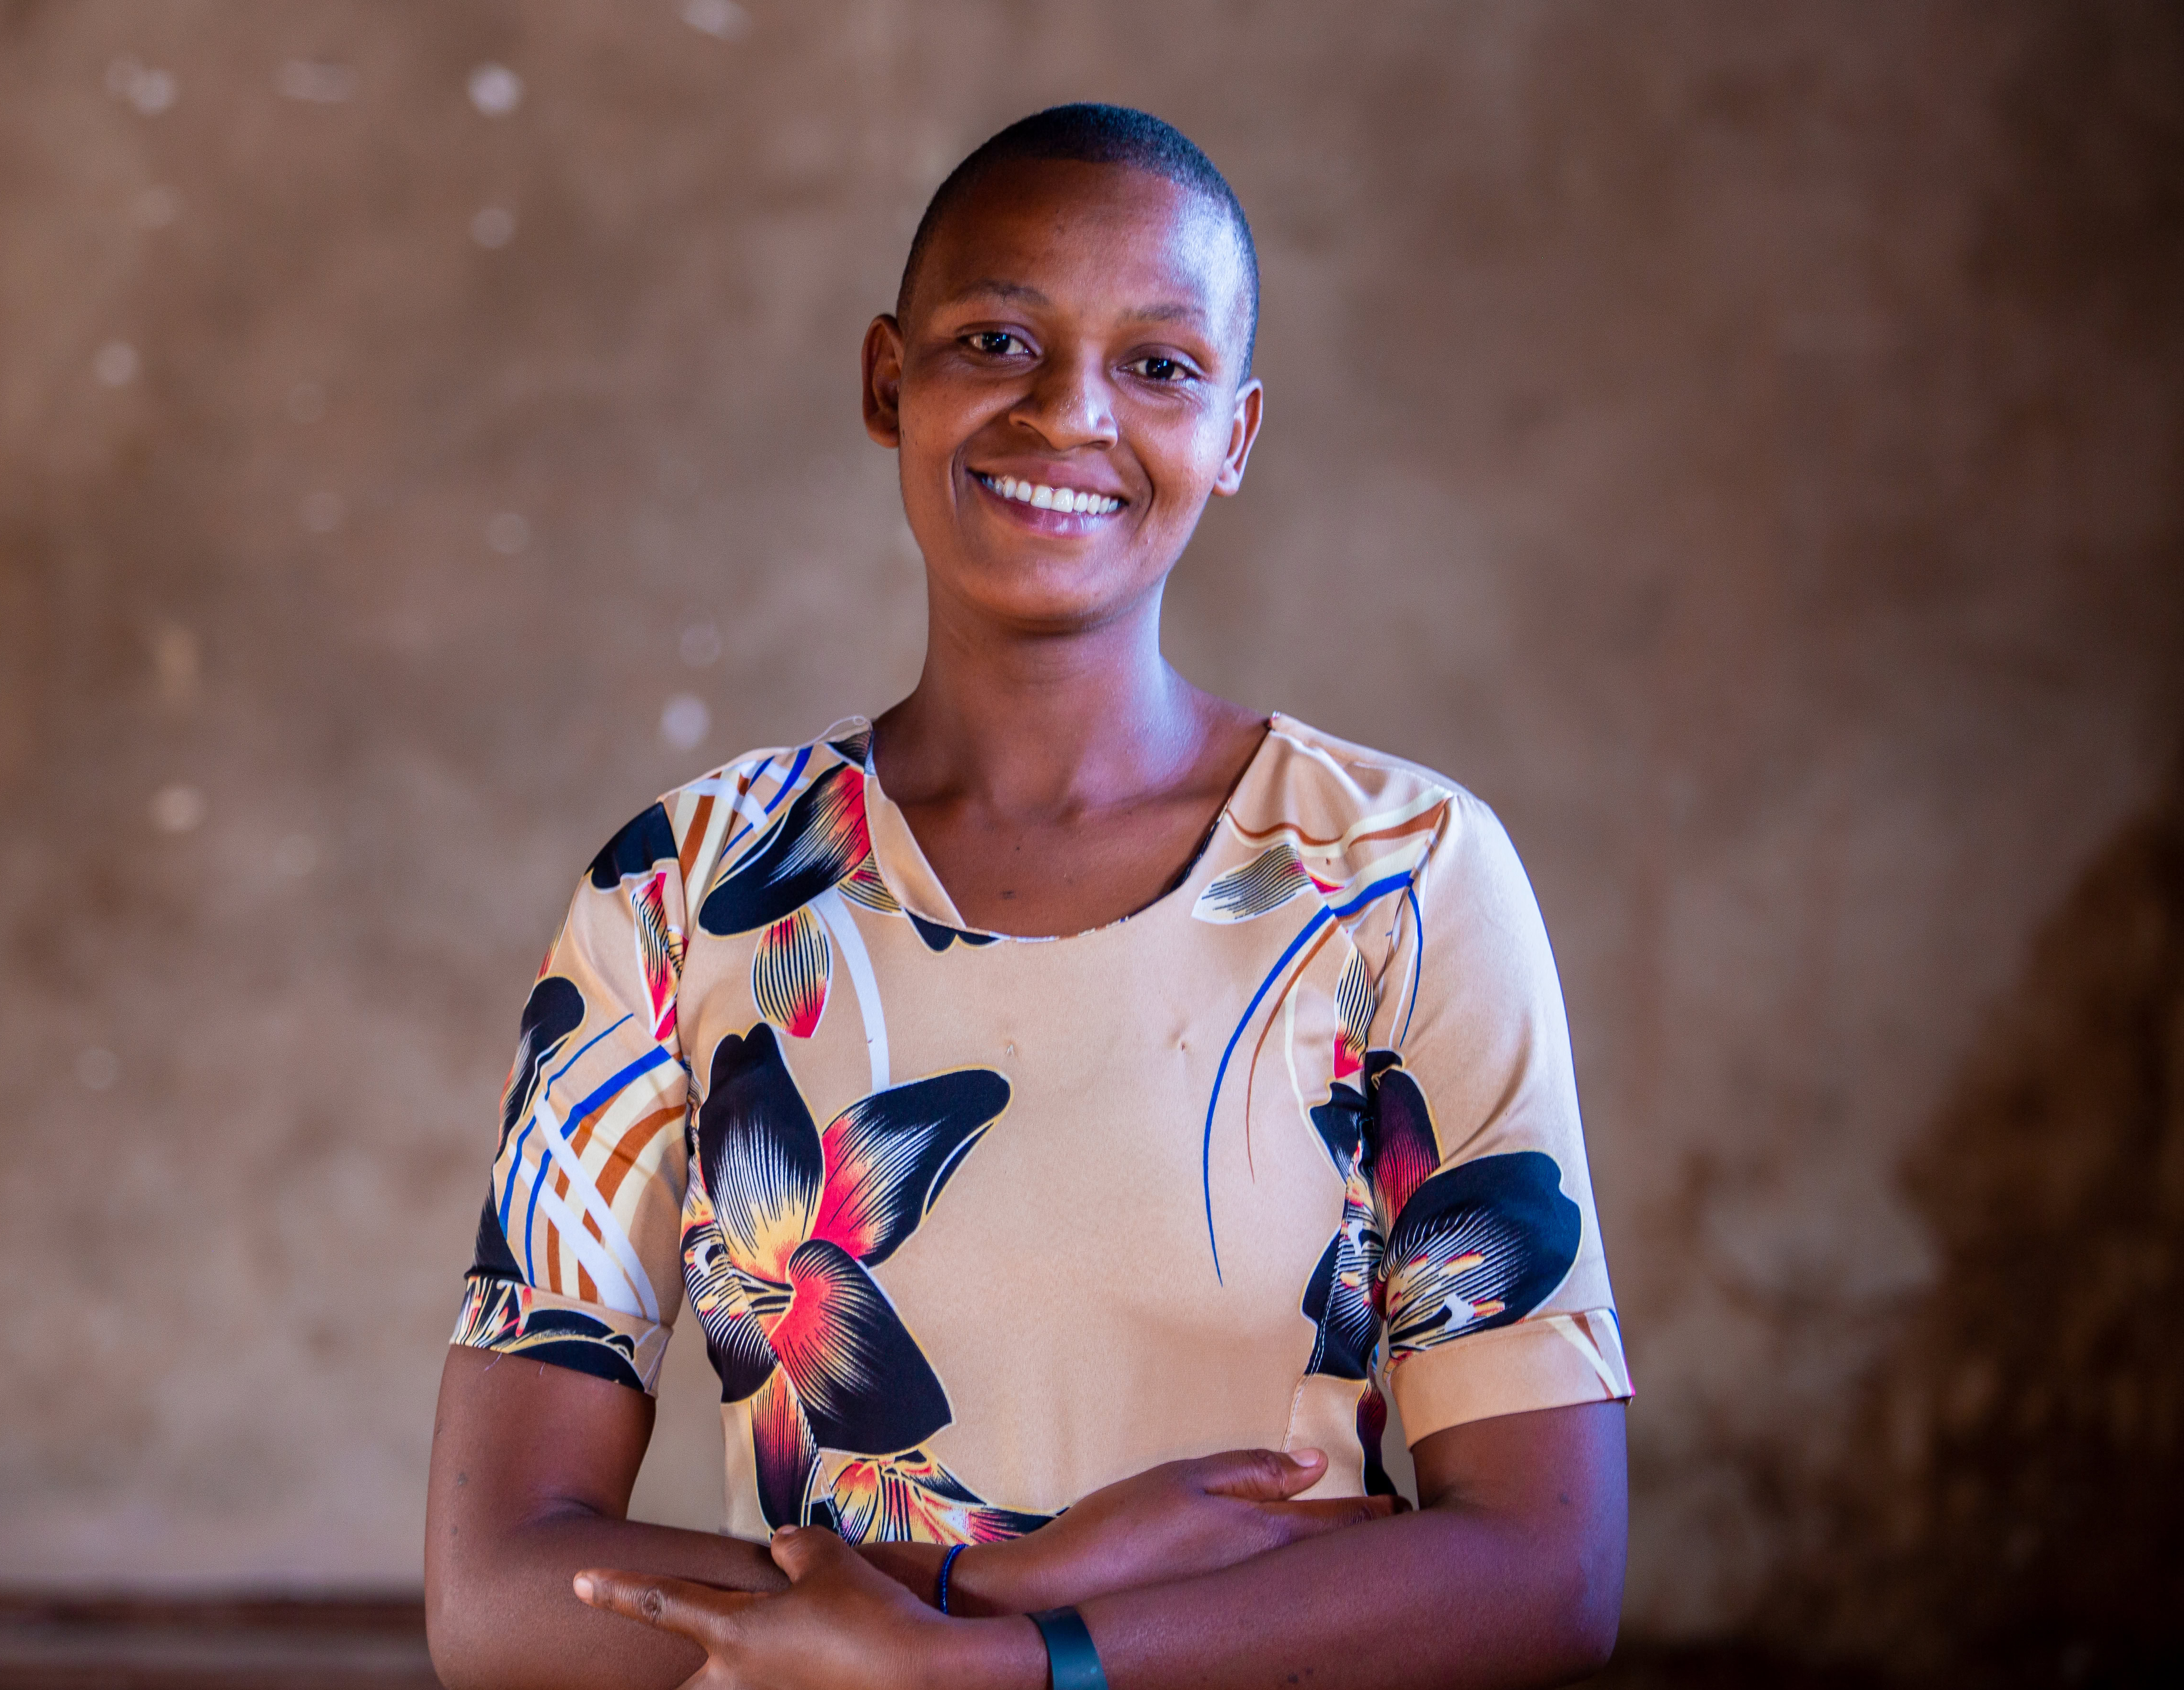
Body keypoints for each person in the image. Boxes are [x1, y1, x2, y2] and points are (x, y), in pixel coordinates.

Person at [425, 104, 1631, 1690]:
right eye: (997, 341)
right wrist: (1004, 1589)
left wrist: (1004, 1666)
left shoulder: (1397, 878)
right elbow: (497, 1594)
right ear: (888, 381)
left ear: (1235, 436)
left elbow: (1547, 1570)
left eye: (1160, 365)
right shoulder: (687, 890)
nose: (1068, 412)